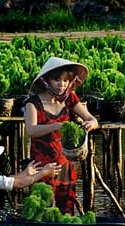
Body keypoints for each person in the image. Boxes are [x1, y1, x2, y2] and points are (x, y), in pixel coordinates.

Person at [24, 56, 99, 215]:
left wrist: (90, 125)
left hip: (65, 164)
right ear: (46, 81)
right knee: (40, 210)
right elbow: (31, 130)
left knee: (66, 211)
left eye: (66, 80)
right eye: (57, 80)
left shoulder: (70, 99)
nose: (62, 84)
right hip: (42, 167)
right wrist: (56, 126)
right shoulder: (33, 103)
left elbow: (92, 120)